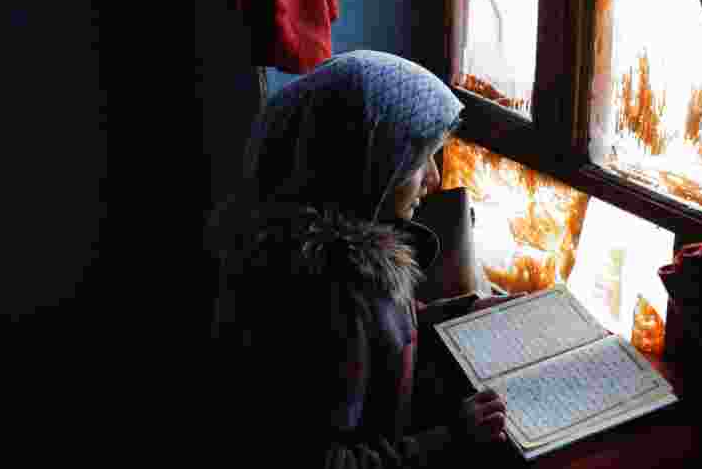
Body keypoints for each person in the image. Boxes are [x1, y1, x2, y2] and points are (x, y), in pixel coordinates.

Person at [209, 50, 522, 465]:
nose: (434, 177)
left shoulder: (346, 245)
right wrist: (452, 437)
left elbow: (388, 336)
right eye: (417, 161)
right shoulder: (333, 294)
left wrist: (468, 309)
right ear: (365, 164)